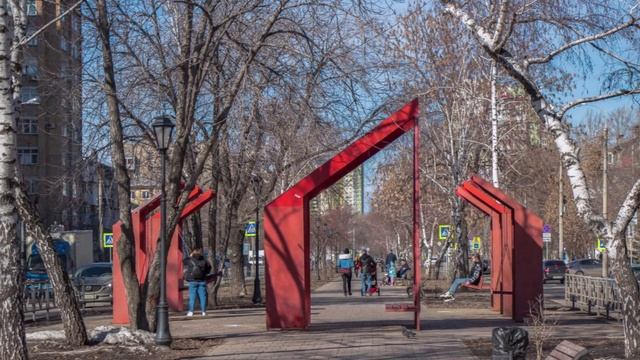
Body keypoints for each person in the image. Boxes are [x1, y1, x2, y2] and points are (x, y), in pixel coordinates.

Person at [184, 248, 212, 316]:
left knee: (192, 296)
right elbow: (209, 269)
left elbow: (183, 261)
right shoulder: (204, 260)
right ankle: (203, 311)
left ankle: (191, 311)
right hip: (202, 281)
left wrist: (190, 256)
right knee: (203, 297)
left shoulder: (190, 260)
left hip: (193, 281)